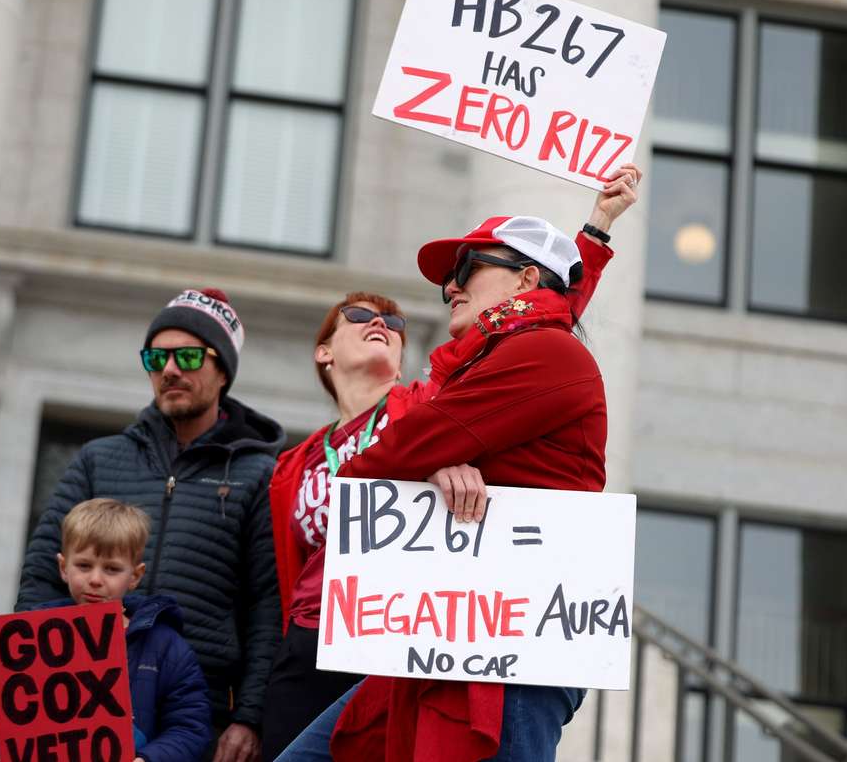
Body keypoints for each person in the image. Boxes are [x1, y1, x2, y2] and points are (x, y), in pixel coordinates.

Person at [261, 169, 639, 760]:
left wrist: (426, 457)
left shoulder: (543, 350)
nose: (451, 289)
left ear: (526, 279)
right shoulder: (484, 360)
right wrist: (436, 463)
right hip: (436, 636)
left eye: (466, 271)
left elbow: (381, 461)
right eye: (446, 282)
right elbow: (409, 447)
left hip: (511, 653)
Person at [17, 288, 285, 762]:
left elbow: (269, 603)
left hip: (198, 715)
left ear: (222, 370)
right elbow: (42, 574)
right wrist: (35, 686)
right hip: (81, 702)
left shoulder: (261, 475)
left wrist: (249, 715)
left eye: (187, 355)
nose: (170, 370)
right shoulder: (97, 461)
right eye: (156, 357)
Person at [0, 498, 213, 762]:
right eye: (84, 565)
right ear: (63, 567)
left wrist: (148, 759)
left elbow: (190, 728)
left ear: (135, 576)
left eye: (112, 569)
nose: (95, 579)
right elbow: (13, 721)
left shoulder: (165, 646)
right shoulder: (35, 639)